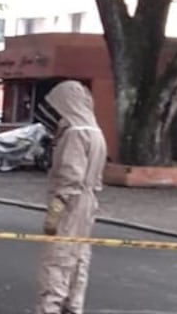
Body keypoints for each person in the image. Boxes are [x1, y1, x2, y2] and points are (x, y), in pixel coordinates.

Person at [34, 80, 107, 314]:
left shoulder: (75, 134)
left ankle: (50, 308)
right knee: (79, 258)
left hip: (71, 203)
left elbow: (69, 175)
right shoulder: (96, 132)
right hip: (88, 202)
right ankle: (72, 306)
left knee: (58, 259)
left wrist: (55, 210)